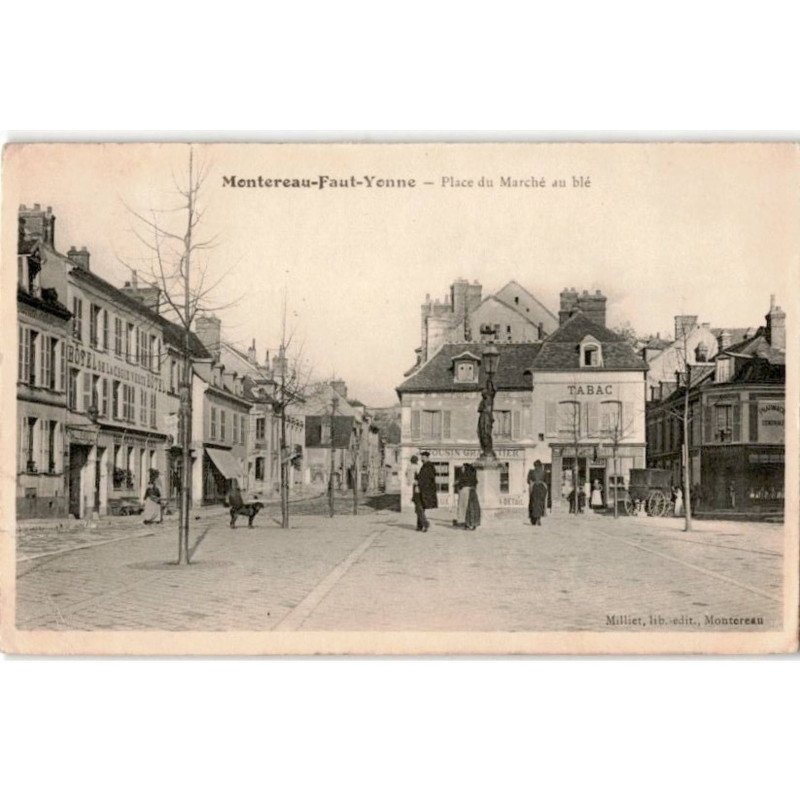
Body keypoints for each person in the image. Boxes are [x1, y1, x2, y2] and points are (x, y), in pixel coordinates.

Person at [415, 451, 438, 532]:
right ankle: (420, 526)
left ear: (427, 457)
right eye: (421, 457)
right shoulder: (425, 466)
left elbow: (426, 480)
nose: (422, 458)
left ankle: (425, 524)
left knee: (419, 508)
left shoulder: (428, 466)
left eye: (423, 457)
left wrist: (418, 485)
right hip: (423, 490)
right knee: (419, 508)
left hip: (423, 491)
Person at [454, 462, 480, 529]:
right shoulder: (471, 475)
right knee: (471, 508)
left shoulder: (465, 476)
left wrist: (457, 484)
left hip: (465, 492)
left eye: (463, 467)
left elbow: (461, 483)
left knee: (465, 507)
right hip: (471, 492)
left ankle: (466, 522)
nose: (462, 469)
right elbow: (475, 483)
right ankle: (471, 523)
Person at [405, 455, 424, 531]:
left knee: (418, 506)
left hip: (413, 487)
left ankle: (419, 525)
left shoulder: (408, 467)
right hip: (418, 487)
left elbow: (406, 475)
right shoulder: (417, 467)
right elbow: (421, 476)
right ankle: (420, 525)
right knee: (420, 506)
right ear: (416, 461)